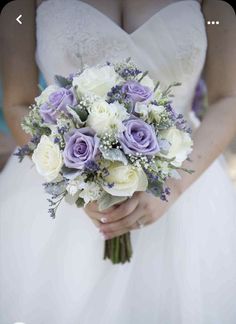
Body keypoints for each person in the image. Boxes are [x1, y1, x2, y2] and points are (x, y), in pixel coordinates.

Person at [1, 0, 236, 323]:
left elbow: (229, 98)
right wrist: (73, 180)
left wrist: (173, 186)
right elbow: (19, 101)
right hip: (57, 193)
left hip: (185, 188)